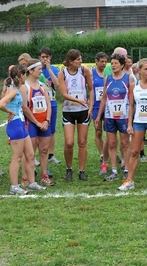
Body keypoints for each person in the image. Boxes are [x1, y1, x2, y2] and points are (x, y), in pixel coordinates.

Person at [0, 65, 46, 195]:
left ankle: (32, 183)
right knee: (17, 157)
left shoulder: (17, 89)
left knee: (30, 155)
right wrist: (10, 112)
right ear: (21, 75)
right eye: (24, 74)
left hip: (21, 124)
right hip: (15, 125)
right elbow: (0, 104)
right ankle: (14, 186)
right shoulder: (13, 90)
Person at [119, 58, 147, 190]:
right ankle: (129, 180)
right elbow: (131, 106)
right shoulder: (134, 86)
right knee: (134, 151)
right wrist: (129, 124)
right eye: (145, 69)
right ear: (139, 70)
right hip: (138, 122)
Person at [95, 53, 135, 181]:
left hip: (123, 116)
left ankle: (127, 169)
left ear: (122, 65)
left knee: (125, 143)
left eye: (116, 63)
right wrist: (98, 116)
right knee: (111, 143)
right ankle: (113, 170)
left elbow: (132, 100)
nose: (113, 65)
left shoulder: (129, 79)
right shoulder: (107, 78)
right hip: (109, 116)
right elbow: (104, 99)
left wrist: (130, 119)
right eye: (111, 63)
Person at [58, 49, 94, 181]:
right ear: (71, 61)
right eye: (78, 59)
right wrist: (78, 100)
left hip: (83, 111)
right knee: (69, 142)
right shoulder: (62, 74)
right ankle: (69, 169)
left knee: (82, 142)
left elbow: (91, 89)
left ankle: (82, 171)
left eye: (81, 58)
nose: (81, 61)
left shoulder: (85, 71)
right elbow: (63, 94)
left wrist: (90, 106)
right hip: (68, 111)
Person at [21, 59, 55, 186]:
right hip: (31, 123)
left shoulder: (42, 85)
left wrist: (47, 120)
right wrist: (36, 122)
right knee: (30, 151)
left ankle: (44, 175)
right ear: (31, 71)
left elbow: (48, 105)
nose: (41, 71)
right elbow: (24, 107)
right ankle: (25, 177)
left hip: (44, 122)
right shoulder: (25, 87)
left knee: (44, 149)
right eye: (39, 69)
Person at [39, 47, 61, 165]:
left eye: (47, 57)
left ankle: (51, 155)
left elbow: (57, 85)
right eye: (43, 57)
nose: (45, 59)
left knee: (52, 130)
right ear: (39, 58)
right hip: (39, 105)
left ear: (50, 57)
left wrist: (48, 69)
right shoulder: (36, 69)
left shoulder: (54, 69)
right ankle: (38, 155)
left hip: (52, 103)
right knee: (39, 129)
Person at [91, 52, 110, 174]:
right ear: (96, 61)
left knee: (109, 133)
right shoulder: (91, 73)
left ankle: (107, 153)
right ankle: (102, 154)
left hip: (108, 106)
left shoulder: (109, 72)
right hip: (96, 106)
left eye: (105, 61)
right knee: (98, 131)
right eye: (101, 61)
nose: (103, 64)